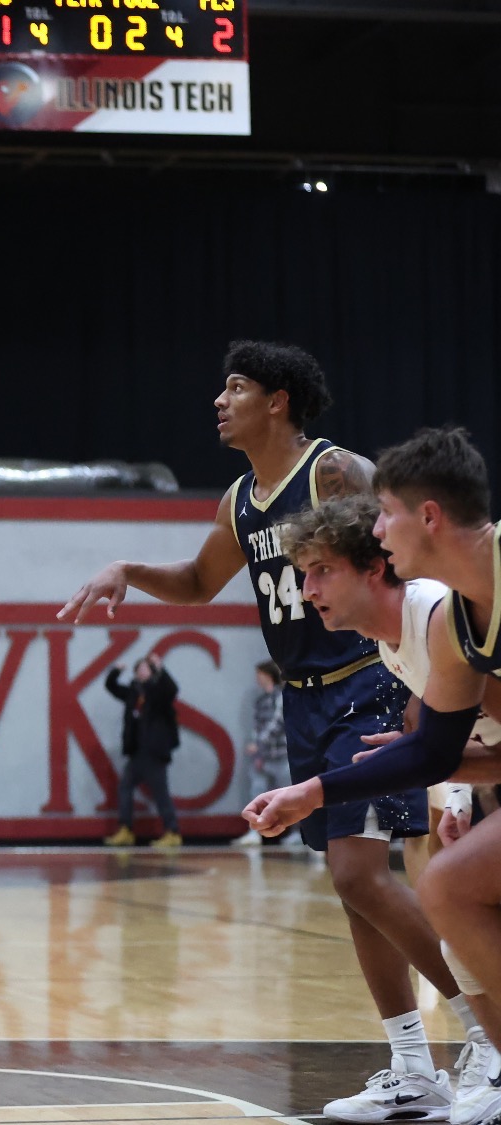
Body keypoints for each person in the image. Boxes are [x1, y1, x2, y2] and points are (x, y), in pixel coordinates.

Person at [60, 341, 438, 1124]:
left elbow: (410, 556)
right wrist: (128, 569)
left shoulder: (335, 473)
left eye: (235, 386)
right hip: (306, 701)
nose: (218, 400)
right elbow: (199, 584)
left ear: (279, 401)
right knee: (353, 891)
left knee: (360, 876)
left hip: (366, 680)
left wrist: (422, 675)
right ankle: (412, 1067)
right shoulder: (240, 500)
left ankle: (488, 1038)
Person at [246, 429, 501, 1122]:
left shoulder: (439, 613)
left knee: (441, 887)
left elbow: (442, 745)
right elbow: (446, 747)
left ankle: (485, 1057)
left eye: (321, 570)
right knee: (447, 893)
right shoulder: (404, 644)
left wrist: (318, 789)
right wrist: (461, 786)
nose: (305, 590)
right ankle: (455, 1063)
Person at [100, 654, 182, 849]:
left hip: (154, 751)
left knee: (160, 792)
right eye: (139, 669)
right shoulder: (133, 692)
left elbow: (172, 689)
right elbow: (110, 686)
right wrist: (116, 670)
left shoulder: (158, 690)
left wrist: (161, 668)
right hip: (137, 751)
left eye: (146, 668)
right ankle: (125, 829)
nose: (142, 672)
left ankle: (173, 832)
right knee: (125, 786)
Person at [233, 662, 289, 846]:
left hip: (281, 754)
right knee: (256, 792)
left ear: (268, 675)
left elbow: (278, 722)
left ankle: (299, 834)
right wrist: (257, 751)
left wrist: (259, 744)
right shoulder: (260, 700)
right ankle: (254, 832)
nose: (257, 678)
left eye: (259, 674)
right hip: (264, 757)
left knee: (290, 795)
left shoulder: (280, 696)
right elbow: (257, 727)